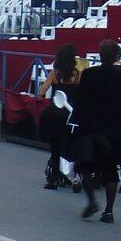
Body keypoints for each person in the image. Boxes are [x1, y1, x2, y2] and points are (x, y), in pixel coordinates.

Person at [71, 40, 121, 223]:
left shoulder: (89, 74)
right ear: (117, 56)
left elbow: (79, 101)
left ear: (100, 55)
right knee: (111, 171)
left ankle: (92, 201)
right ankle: (109, 211)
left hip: (92, 128)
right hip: (116, 131)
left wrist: (74, 122)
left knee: (85, 167)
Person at [40, 44, 84, 191]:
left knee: (55, 146)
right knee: (71, 146)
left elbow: (41, 91)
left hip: (55, 112)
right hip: (71, 113)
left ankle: (53, 179)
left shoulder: (55, 73)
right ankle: (72, 177)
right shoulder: (78, 74)